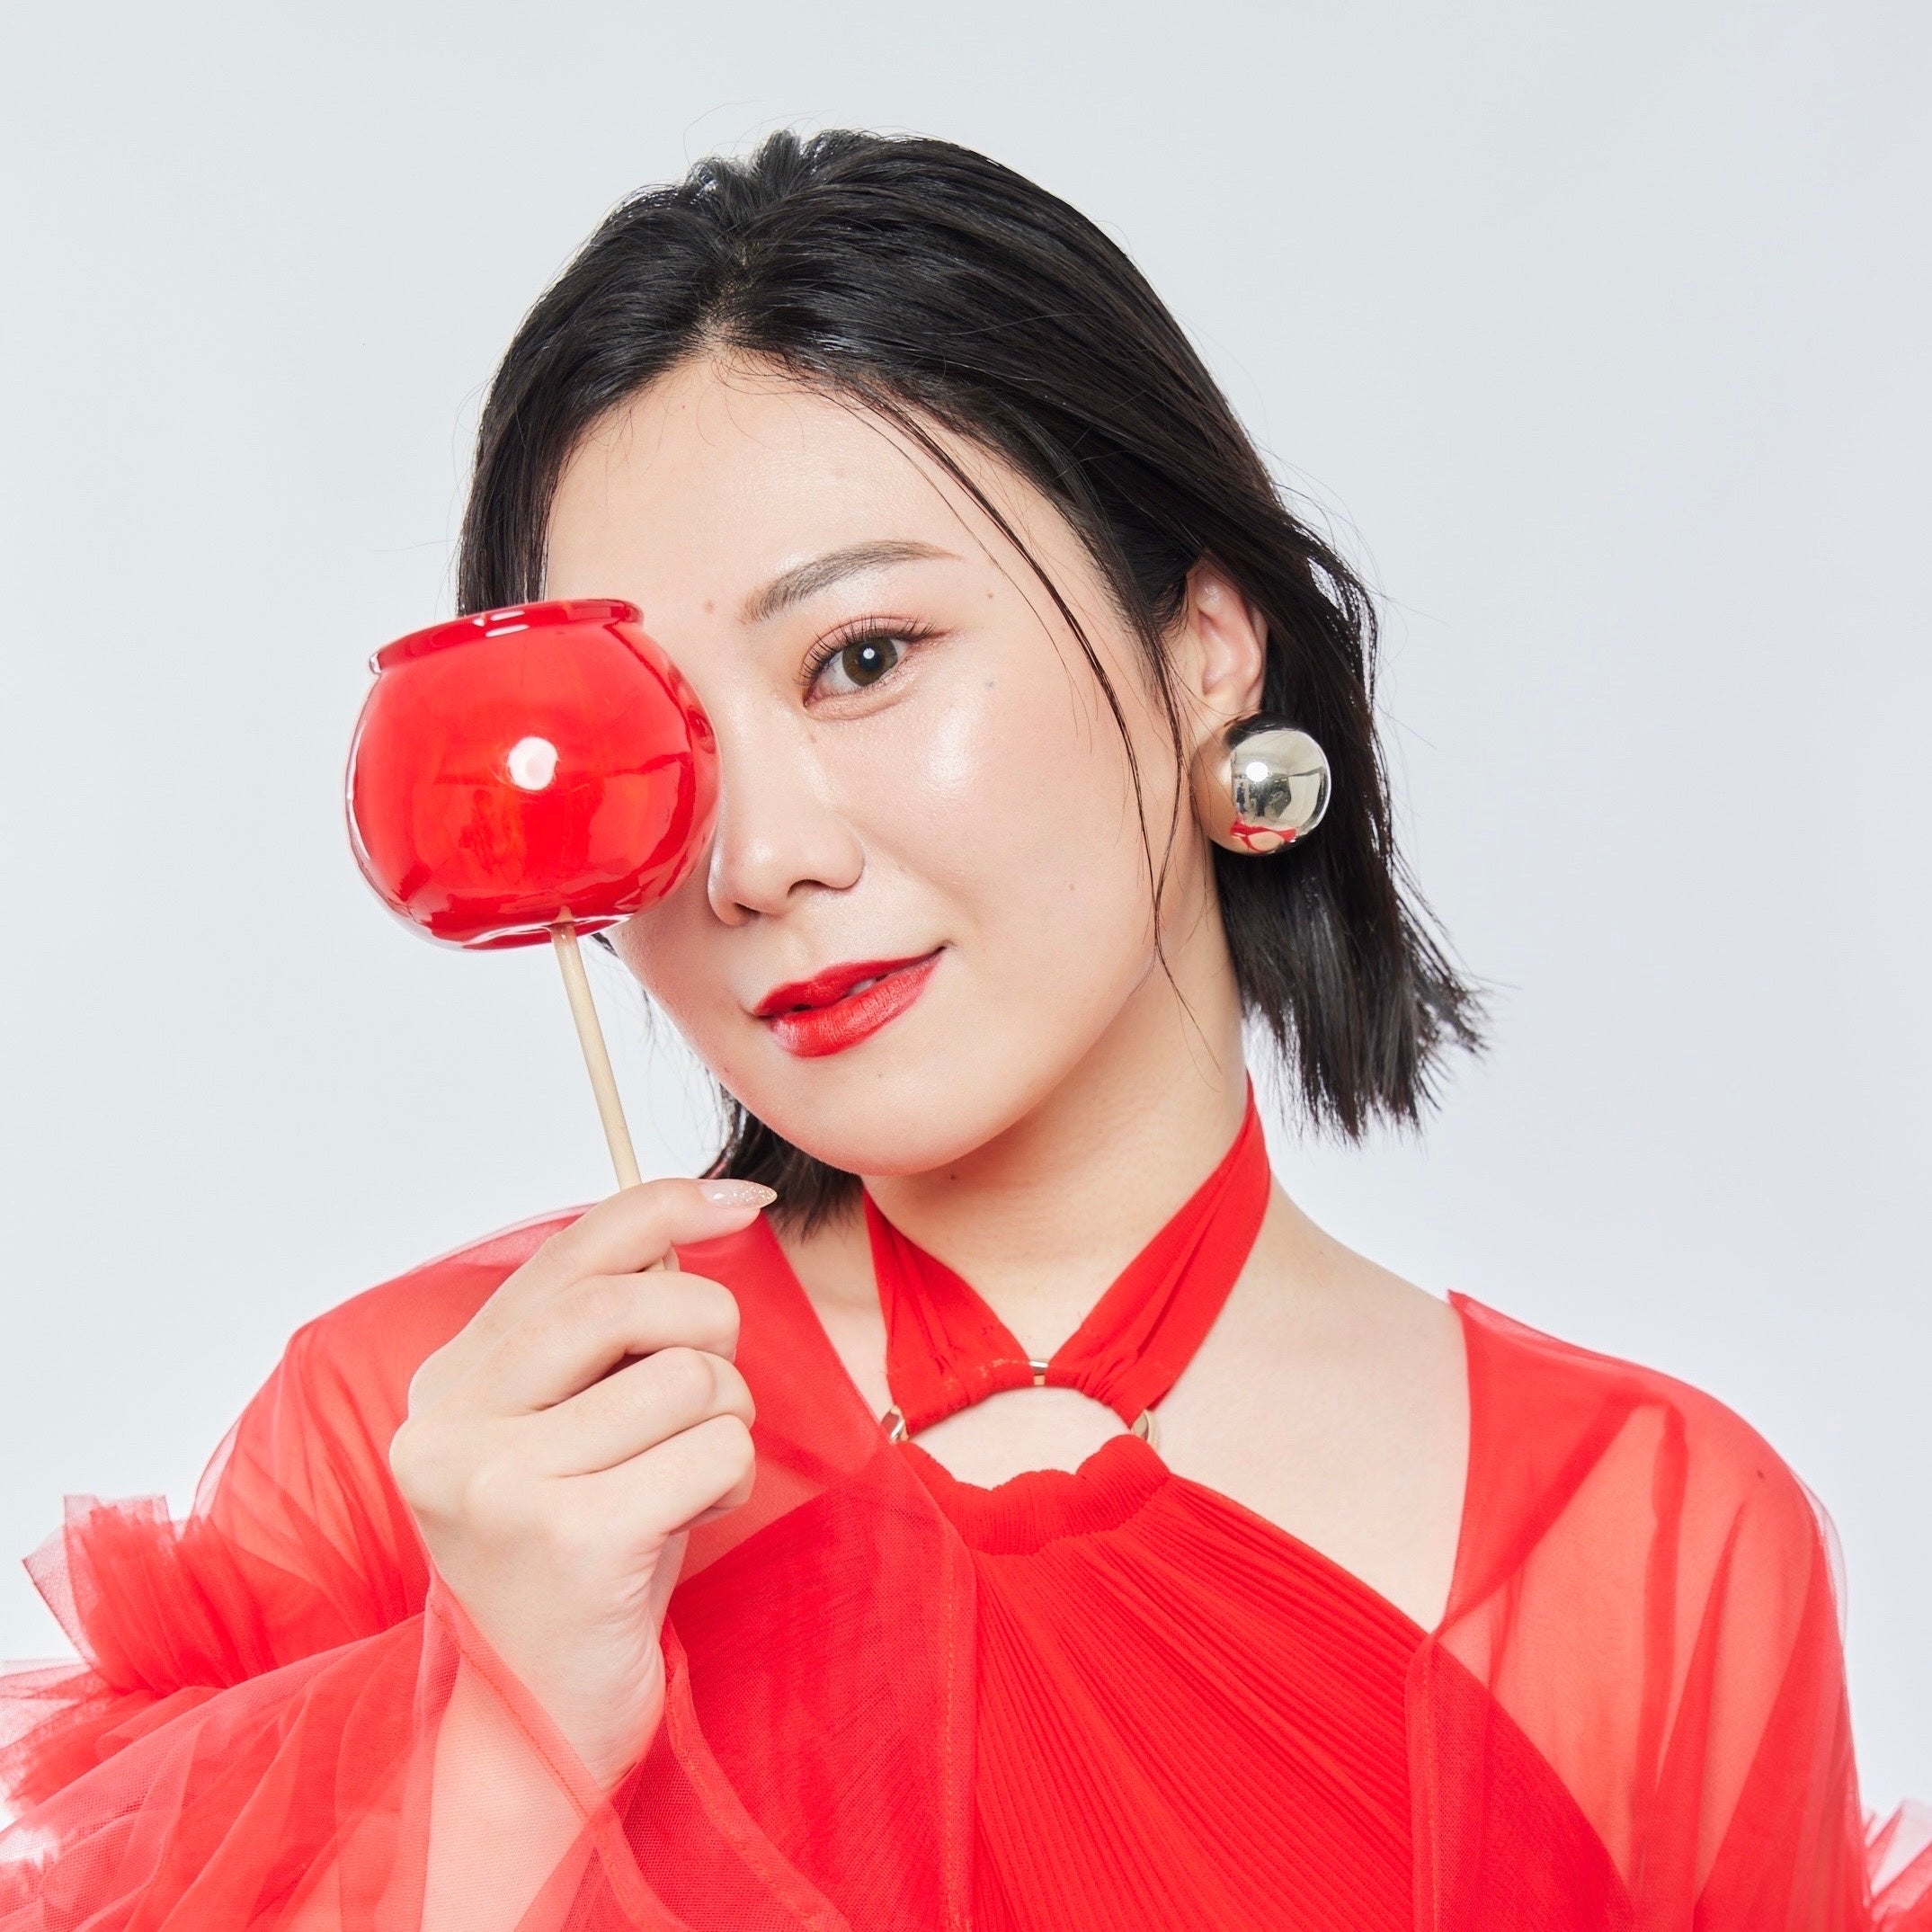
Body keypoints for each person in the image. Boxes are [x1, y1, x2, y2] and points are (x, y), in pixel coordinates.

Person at [1, 129, 1926, 1932]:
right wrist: (506, 1738)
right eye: (649, 735)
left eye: (862, 658)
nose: (755, 856)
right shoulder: (450, 1448)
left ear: (1204, 645)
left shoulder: (1646, 1541)